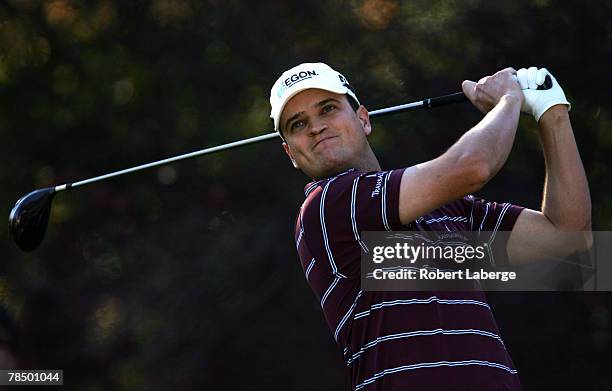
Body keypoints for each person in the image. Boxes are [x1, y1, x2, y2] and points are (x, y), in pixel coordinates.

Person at [269, 63, 591, 390]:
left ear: (363, 119)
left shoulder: (443, 207)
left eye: (328, 109)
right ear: (290, 153)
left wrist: (552, 112)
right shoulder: (328, 206)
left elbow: (567, 237)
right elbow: (474, 167)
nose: (316, 127)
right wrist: (509, 99)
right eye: (298, 124)